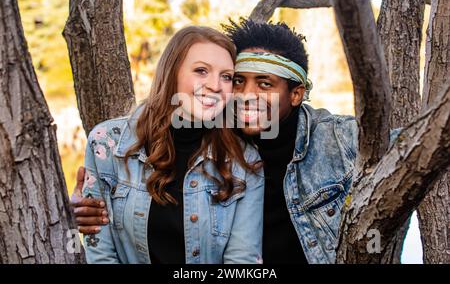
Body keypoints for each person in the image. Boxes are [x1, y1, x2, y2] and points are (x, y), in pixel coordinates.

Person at [73, 19, 399, 264]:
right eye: (238, 80)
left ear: (296, 94)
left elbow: (411, 150)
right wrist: (77, 211)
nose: (245, 95)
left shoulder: (334, 138)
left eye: (265, 84)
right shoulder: (220, 140)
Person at [78, 25, 264, 264]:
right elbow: (100, 253)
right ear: (172, 72)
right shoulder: (108, 143)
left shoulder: (244, 160)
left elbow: (243, 260)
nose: (215, 86)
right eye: (201, 71)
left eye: (226, 76)